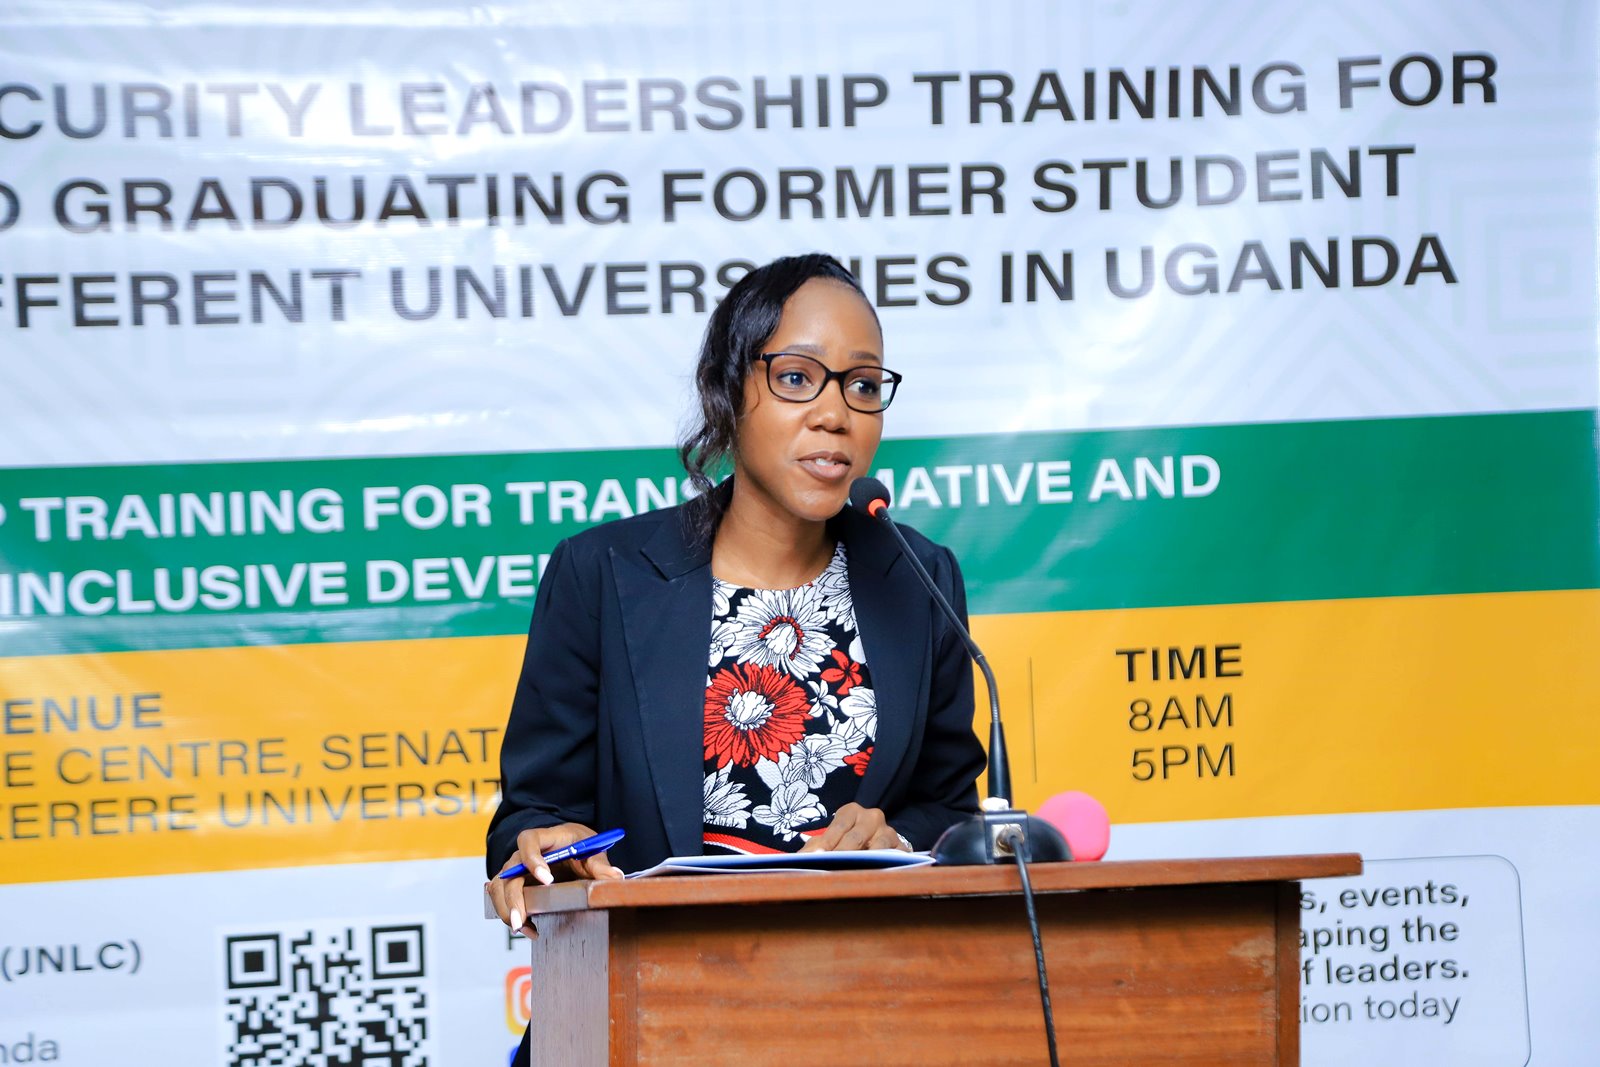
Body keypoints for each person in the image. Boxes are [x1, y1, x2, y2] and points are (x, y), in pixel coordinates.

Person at [485, 253, 985, 939]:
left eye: (863, 386)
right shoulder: (601, 573)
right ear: (724, 387)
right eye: (797, 378)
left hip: (864, 991)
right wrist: (547, 842)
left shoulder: (920, 578)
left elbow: (953, 808)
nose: (835, 414)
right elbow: (530, 814)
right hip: (654, 990)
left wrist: (894, 837)